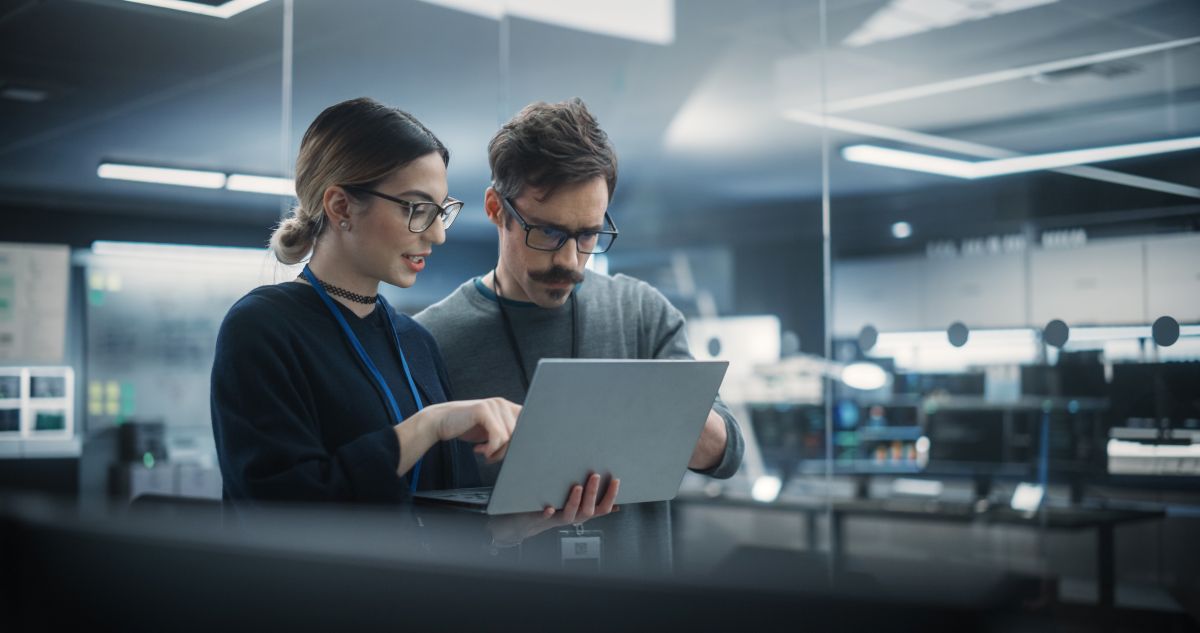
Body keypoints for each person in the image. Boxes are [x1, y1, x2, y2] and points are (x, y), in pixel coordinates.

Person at [211, 98, 617, 532]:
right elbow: (282, 509)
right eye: (416, 210)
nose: (438, 234)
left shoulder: (414, 341)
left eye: (440, 212)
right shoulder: (263, 328)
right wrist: (430, 425)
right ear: (341, 206)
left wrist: (513, 524)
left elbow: (435, 519)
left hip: (418, 598)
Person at [414, 98, 744, 570]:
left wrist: (660, 409)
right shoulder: (430, 339)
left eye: (588, 235)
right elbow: (417, 524)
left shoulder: (641, 312)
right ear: (495, 209)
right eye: (548, 233)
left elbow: (727, 453)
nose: (570, 261)